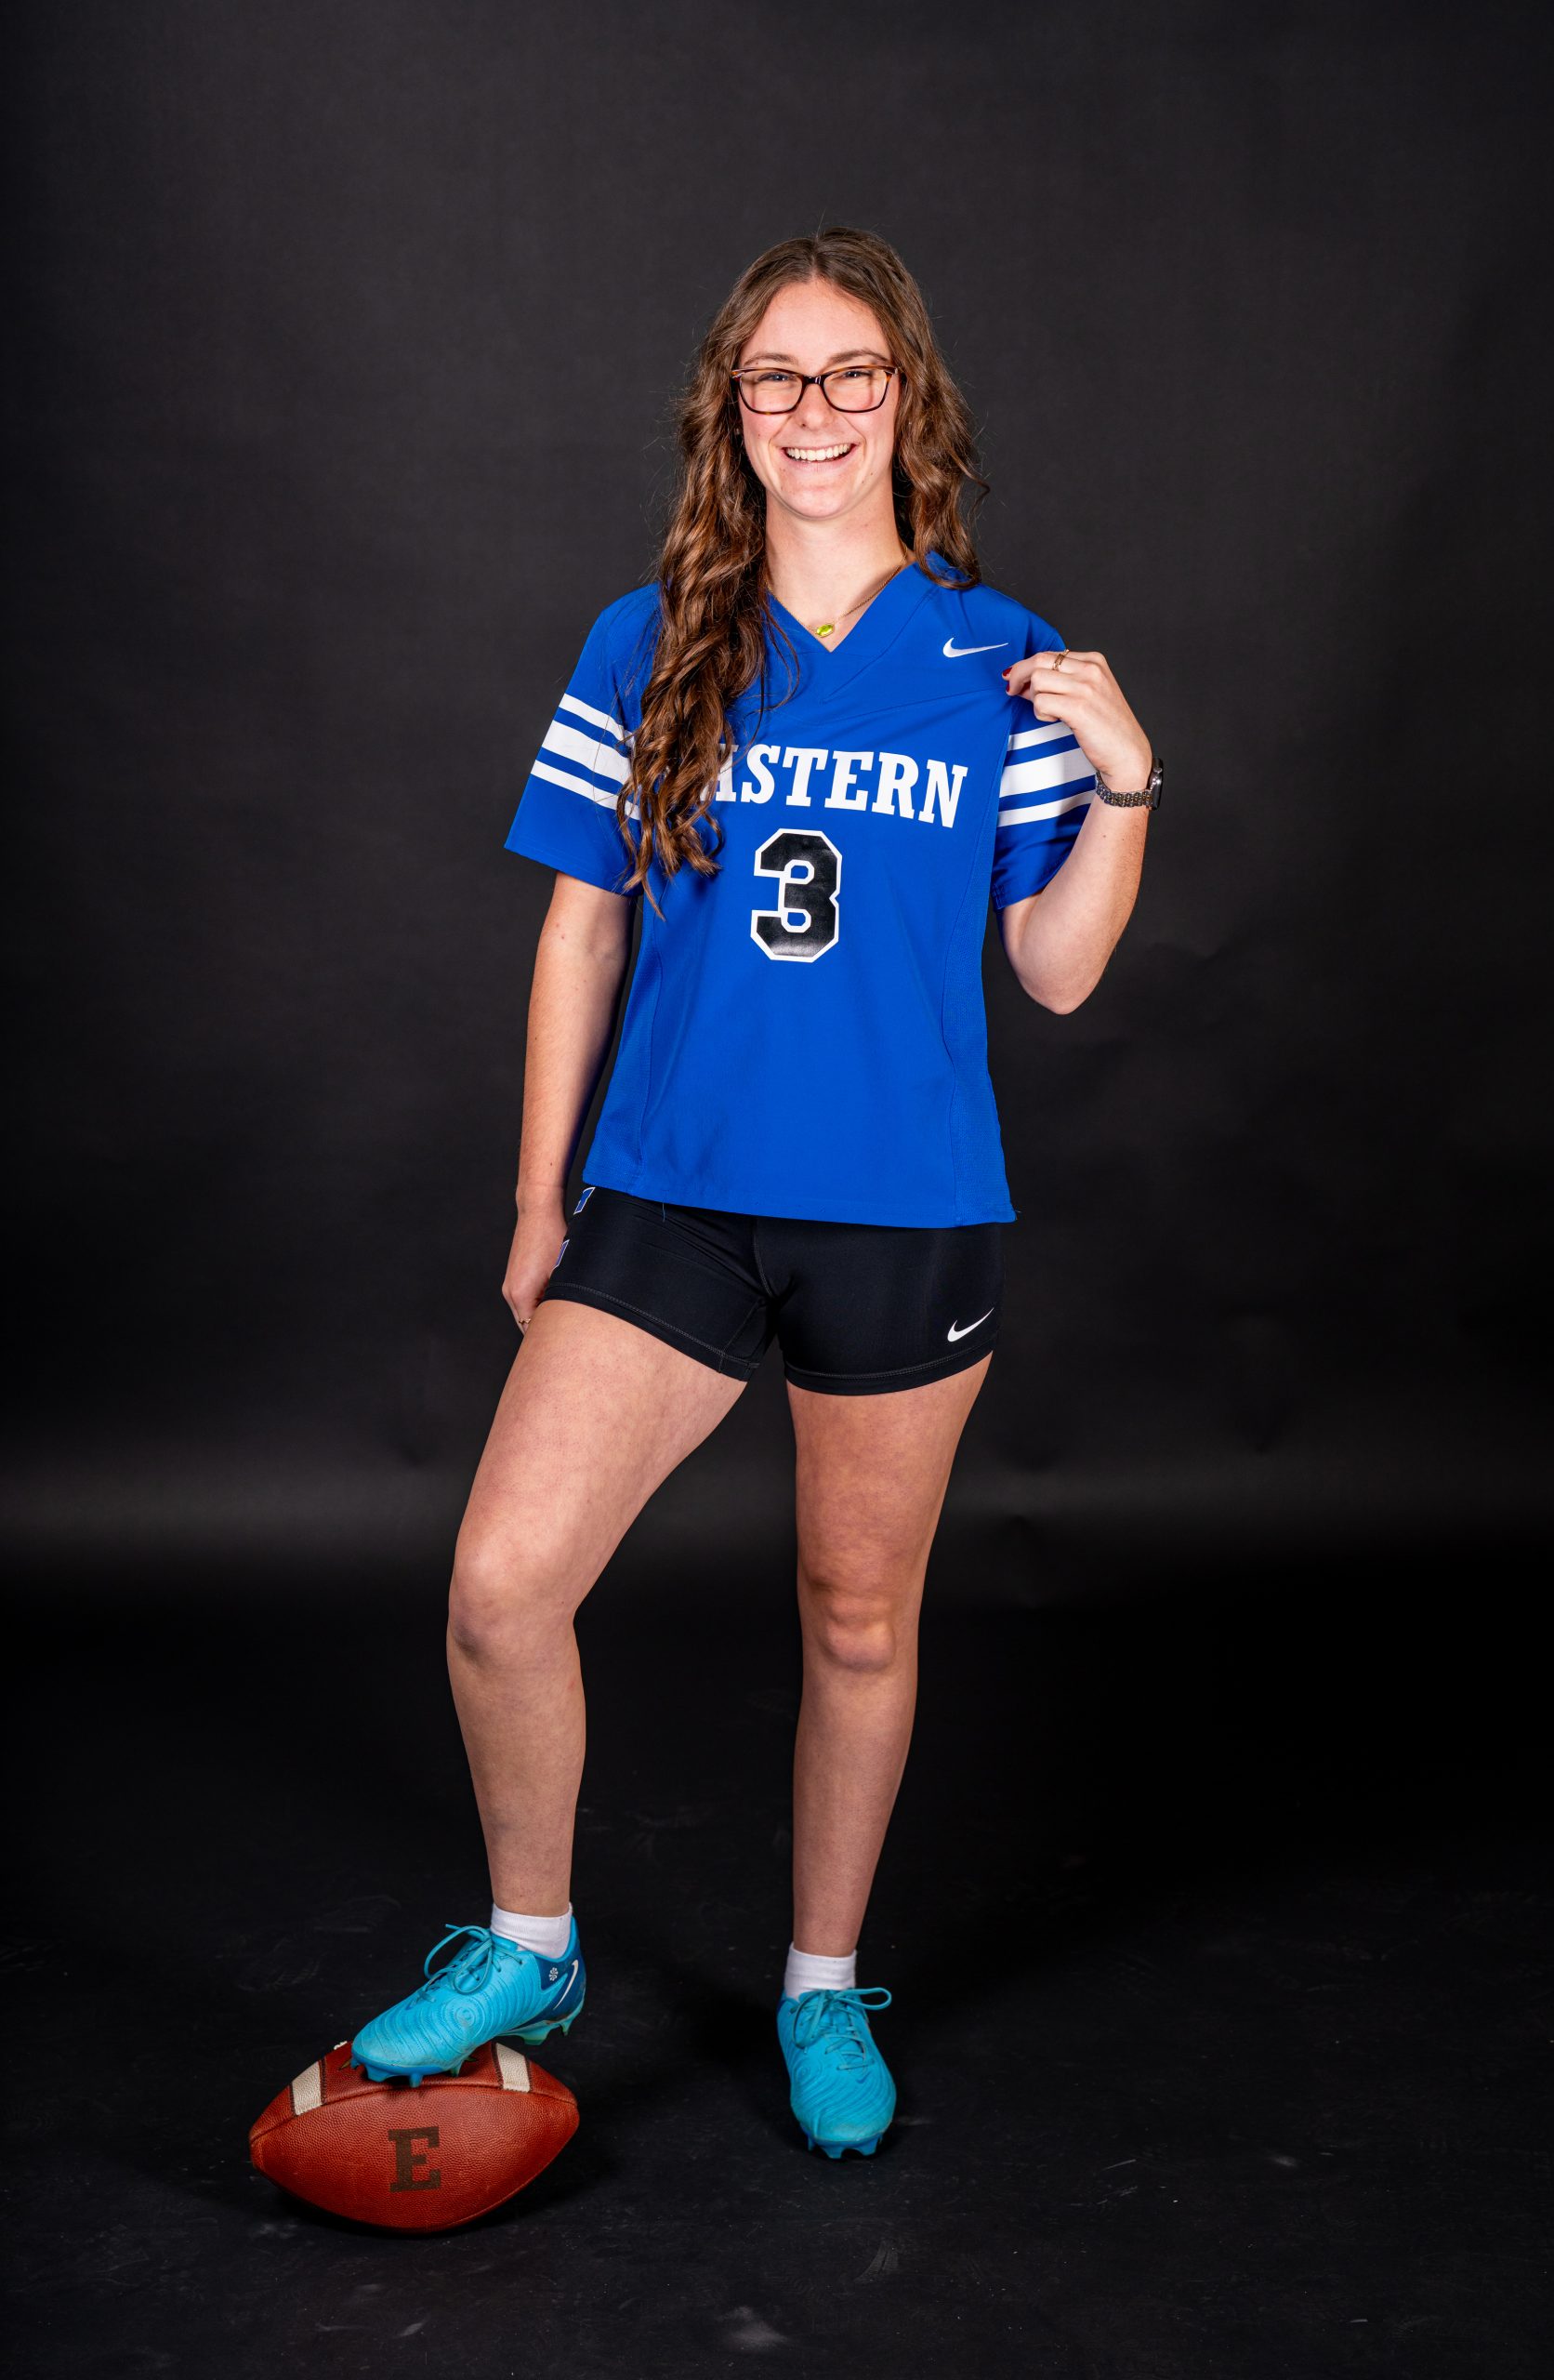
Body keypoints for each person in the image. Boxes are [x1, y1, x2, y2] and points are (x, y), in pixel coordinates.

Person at [348, 225, 1160, 2160]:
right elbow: (580, 932)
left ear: (904, 400)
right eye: (775, 376)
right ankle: (530, 1943)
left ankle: (819, 1980)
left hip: (904, 1210)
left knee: (856, 1620)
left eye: (849, 373)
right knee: (499, 1586)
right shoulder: (644, 642)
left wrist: (1126, 785)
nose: (812, 409)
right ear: (732, 406)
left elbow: (1053, 973)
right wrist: (538, 1203)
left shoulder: (996, 656)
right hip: (676, 1195)